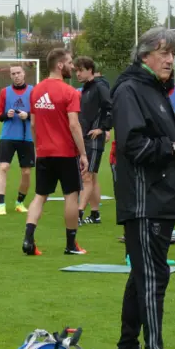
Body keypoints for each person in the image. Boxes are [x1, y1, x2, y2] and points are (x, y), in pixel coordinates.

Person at [110, 27, 175, 349]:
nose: (169, 59)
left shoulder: (158, 91)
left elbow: (162, 143)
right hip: (145, 200)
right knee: (152, 278)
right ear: (144, 55)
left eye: (173, 53)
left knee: (143, 276)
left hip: (161, 198)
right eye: (163, 52)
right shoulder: (131, 90)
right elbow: (133, 146)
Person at [22, 48, 88, 256]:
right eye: (69, 62)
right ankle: (70, 244)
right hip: (66, 153)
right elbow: (74, 125)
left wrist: (38, 146)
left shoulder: (35, 91)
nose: (72, 66)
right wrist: (84, 154)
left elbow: (33, 124)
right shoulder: (70, 92)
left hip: (43, 153)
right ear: (60, 65)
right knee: (71, 195)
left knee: (40, 196)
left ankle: (28, 240)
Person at [74, 56, 112, 225]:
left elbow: (111, 107)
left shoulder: (100, 86)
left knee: (87, 176)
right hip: (85, 138)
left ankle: (79, 214)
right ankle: (95, 214)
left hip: (94, 139)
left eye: (80, 70)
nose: (77, 74)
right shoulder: (86, 88)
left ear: (90, 70)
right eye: (76, 70)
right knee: (92, 177)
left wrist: (103, 128)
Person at [0, 64, 34, 215]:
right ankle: (1, 205)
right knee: (3, 167)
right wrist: (6, 115)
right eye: (13, 74)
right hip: (8, 137)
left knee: (26, 172)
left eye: (18, 73)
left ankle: (19, 202)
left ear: (24, 74)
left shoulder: (33, 91)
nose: (16, 76)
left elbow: (39, 112)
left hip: (27, 137)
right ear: (10, 76)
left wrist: (28, 115)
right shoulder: (4, 92)